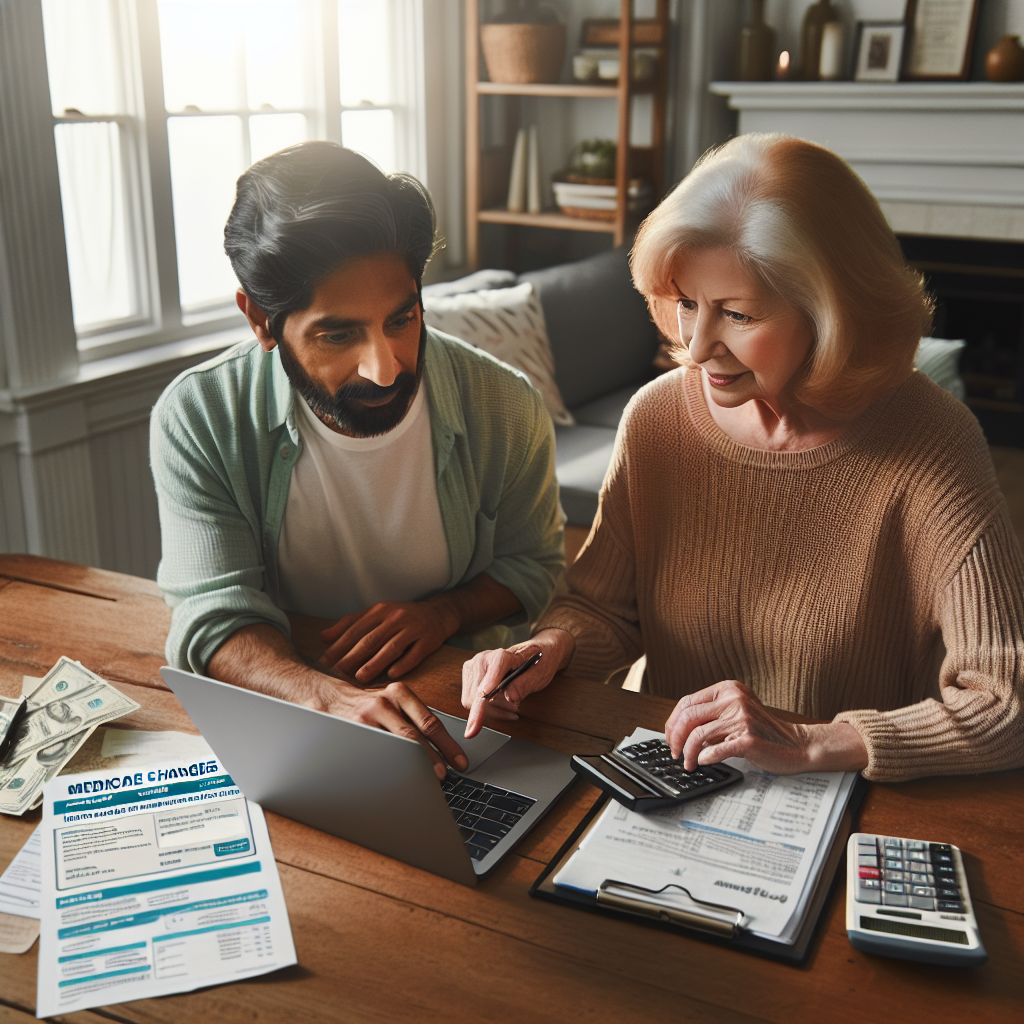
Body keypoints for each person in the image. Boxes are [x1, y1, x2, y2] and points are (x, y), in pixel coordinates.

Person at [462, 133, 1024, 783]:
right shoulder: (658, 418)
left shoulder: (933, 443)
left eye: (736, 314)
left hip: (850, 798)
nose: (698, 348)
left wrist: (816, 741)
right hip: (675, 781)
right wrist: (549, 649)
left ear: (831, 313)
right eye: (688, 305)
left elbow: (1006, 703)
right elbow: (604, 610)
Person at [152, 142, 564, 778]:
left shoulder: (505, 404)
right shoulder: (200, 416)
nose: (386, 366)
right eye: (339, 334)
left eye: (402, 319)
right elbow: (213, 612)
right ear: (260, 320)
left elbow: (533, 564)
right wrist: (330, 700)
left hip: (462, 718)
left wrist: (445, 612)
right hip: (291, 715)